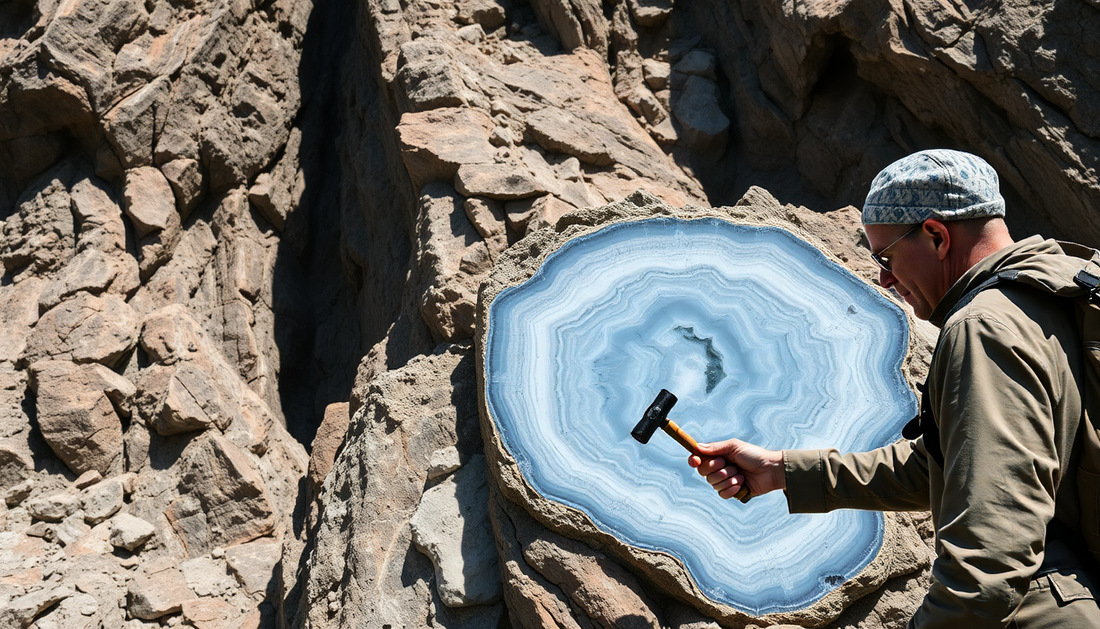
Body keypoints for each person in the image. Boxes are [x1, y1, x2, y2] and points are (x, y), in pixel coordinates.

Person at [688, 149, 1100, 627]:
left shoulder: (985, 326)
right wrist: (784, 471)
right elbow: (950, 463)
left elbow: (988, 559)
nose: (883, 279)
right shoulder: (1068, 285)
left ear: (936, 235)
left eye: (885, 256)